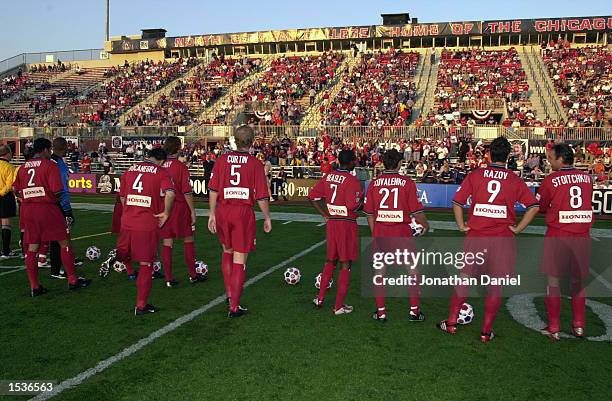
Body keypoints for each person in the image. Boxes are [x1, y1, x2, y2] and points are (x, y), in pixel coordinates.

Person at [437, 137, 540, 343]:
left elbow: (457, 202)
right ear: (508, 156)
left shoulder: (476, 175)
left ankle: (451, 323)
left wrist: (461, 225)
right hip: (502, 239)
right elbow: (534, 206)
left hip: (477, 236)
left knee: (464, 278)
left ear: (489, 154)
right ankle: (485, 332)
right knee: (495, 285)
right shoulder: (514, 179)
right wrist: (518, 229)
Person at [207, 125, 272, 318]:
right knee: (239, 258)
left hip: (223, 210)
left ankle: (229, 294)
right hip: (242, 212)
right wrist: (267, 217)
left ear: (234, 140)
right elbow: (261, 196)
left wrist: (211, 213)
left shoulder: (222, 159)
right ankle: (234, 306)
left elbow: (213, 189)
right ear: (252, 141)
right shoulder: (254, 163)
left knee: (227, 251)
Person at [13, 138, 91, 296]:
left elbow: (16, 190)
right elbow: (57, 191)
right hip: (47, 208)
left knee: (32, 248)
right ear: (45, 150)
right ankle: (73, 280)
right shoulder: (50, 165)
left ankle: (35, 287)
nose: (50, 153)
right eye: (49, 150)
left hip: (27, 210)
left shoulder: (22, 167)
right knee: (64, 242)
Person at [363, 149, 429, 322]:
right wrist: (425, 225)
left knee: (380, 272)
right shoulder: (407, 182)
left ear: (383, 163)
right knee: (412, 271)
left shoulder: (374, 183)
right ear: (399, 163)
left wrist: (374, 231)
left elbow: (369, 213)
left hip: (382, 233)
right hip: (402, 233)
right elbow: (416, 211)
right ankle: (414, 312)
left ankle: (381, 312)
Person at [538, 143, 593, 340]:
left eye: (551, 158)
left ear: (561, 159)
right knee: (578, 281)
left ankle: (554, 327)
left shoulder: (552, 180)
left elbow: (542, 206)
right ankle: (579, 325)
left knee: (553, 280)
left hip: (558, 234)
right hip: (581, 235)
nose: (549, 161)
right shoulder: (587, 178)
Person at [116, 148, 175, 315]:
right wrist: (166, 213)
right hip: (146, 223)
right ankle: (141, 305)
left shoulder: (130, 169)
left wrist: (128, 209)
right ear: (162, 160)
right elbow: (170, 194)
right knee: (145, 264)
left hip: (127, 220)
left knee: (127, 251)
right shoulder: (161, 172)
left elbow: (121, 196)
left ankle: (120, 257)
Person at [308, 149, 363, 315]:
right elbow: (353, 206)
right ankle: (338, 306)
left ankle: (320, 298)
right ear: (351, 162)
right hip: (346, 224)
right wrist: (365, 203)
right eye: (355, 160)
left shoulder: (328, 176)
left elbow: (312, 197)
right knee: (346, 263)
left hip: (332, 222)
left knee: (330, 260)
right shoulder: (352, 181)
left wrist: (325, 214)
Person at [160, 136, 205, 287]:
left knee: (167, 243)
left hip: (163, 206)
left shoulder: (159, 165)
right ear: (178, 149)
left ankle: (168, 278)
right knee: (188, 240)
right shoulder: (180, 167)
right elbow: (187, 192)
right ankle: (193, 275)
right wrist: (192, 211)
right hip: (179, 207)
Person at [49, 138, 80, 280]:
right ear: (64, 147)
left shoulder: (50, 162)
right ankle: (57, 269)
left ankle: (60, 264)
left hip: (49, 204)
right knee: (61, 238)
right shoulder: (58, 164)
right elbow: (61, 189)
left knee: (56, 238)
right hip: (60, 205)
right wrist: (66, 209)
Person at [0, 145, 17, 258]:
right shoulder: (9, 167)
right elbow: (10, 184)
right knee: (6, 222)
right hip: (5, 196)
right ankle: (6, 250)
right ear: (7, 153)